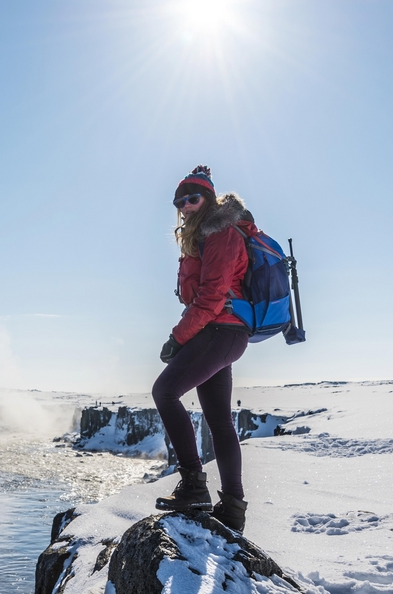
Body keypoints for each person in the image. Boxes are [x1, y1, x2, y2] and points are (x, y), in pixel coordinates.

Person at [152, 164, 255, 533]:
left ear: (208, 200)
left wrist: (177, 338)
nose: (185, 206)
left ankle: (194, 485)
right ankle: (232, 510)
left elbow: (212, 296)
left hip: (220, 330)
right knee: (219, 420)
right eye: (179, 201)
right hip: (217, 331)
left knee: (164, 391)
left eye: (192, 198)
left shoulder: (222, 233)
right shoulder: (203, 236)